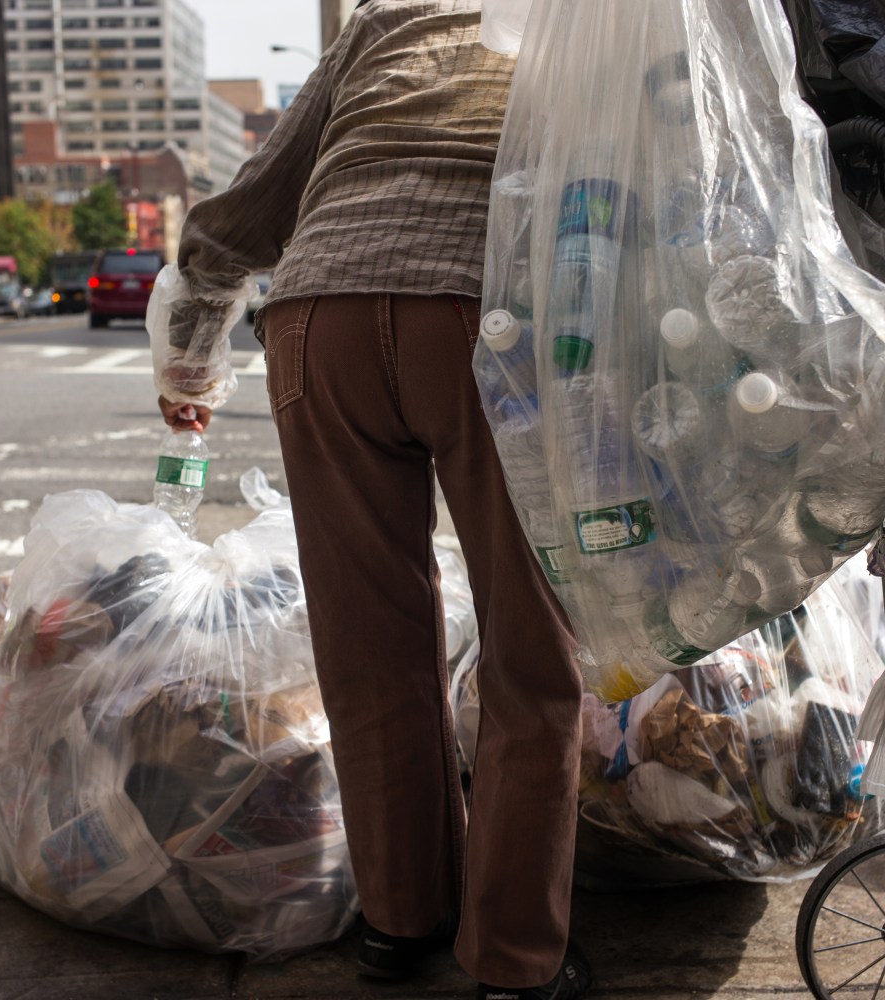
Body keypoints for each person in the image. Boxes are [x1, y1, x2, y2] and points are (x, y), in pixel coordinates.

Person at [156, 2, 592, 998]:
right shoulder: (598, 19)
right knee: (533, 658)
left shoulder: (390, 17)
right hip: (491, 322)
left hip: (320, 325)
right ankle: (518, 961)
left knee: (372, 652)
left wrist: (191, 343)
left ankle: (402, 924)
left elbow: (256, 199)